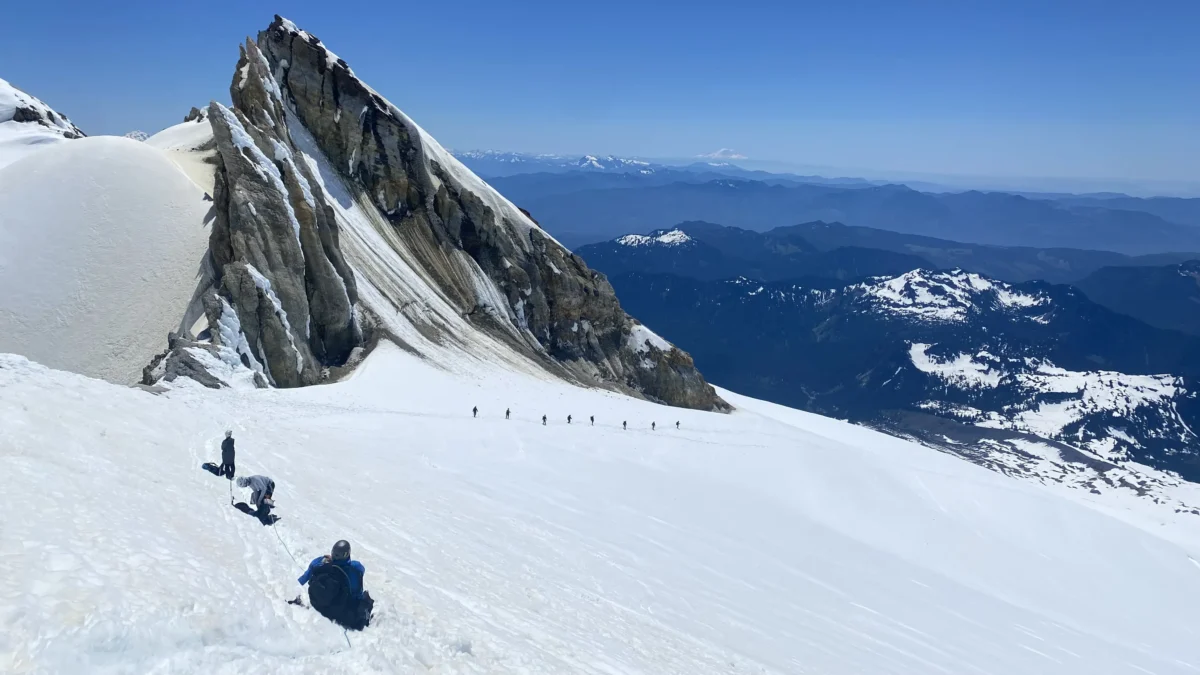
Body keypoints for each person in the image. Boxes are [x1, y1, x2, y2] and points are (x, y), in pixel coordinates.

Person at [298, 540, 374, 630]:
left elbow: (302, 580)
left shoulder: (319, 562)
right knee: (366, 599)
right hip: (343, 613)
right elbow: (362, 569)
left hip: (319, 606)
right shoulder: (355, 568)